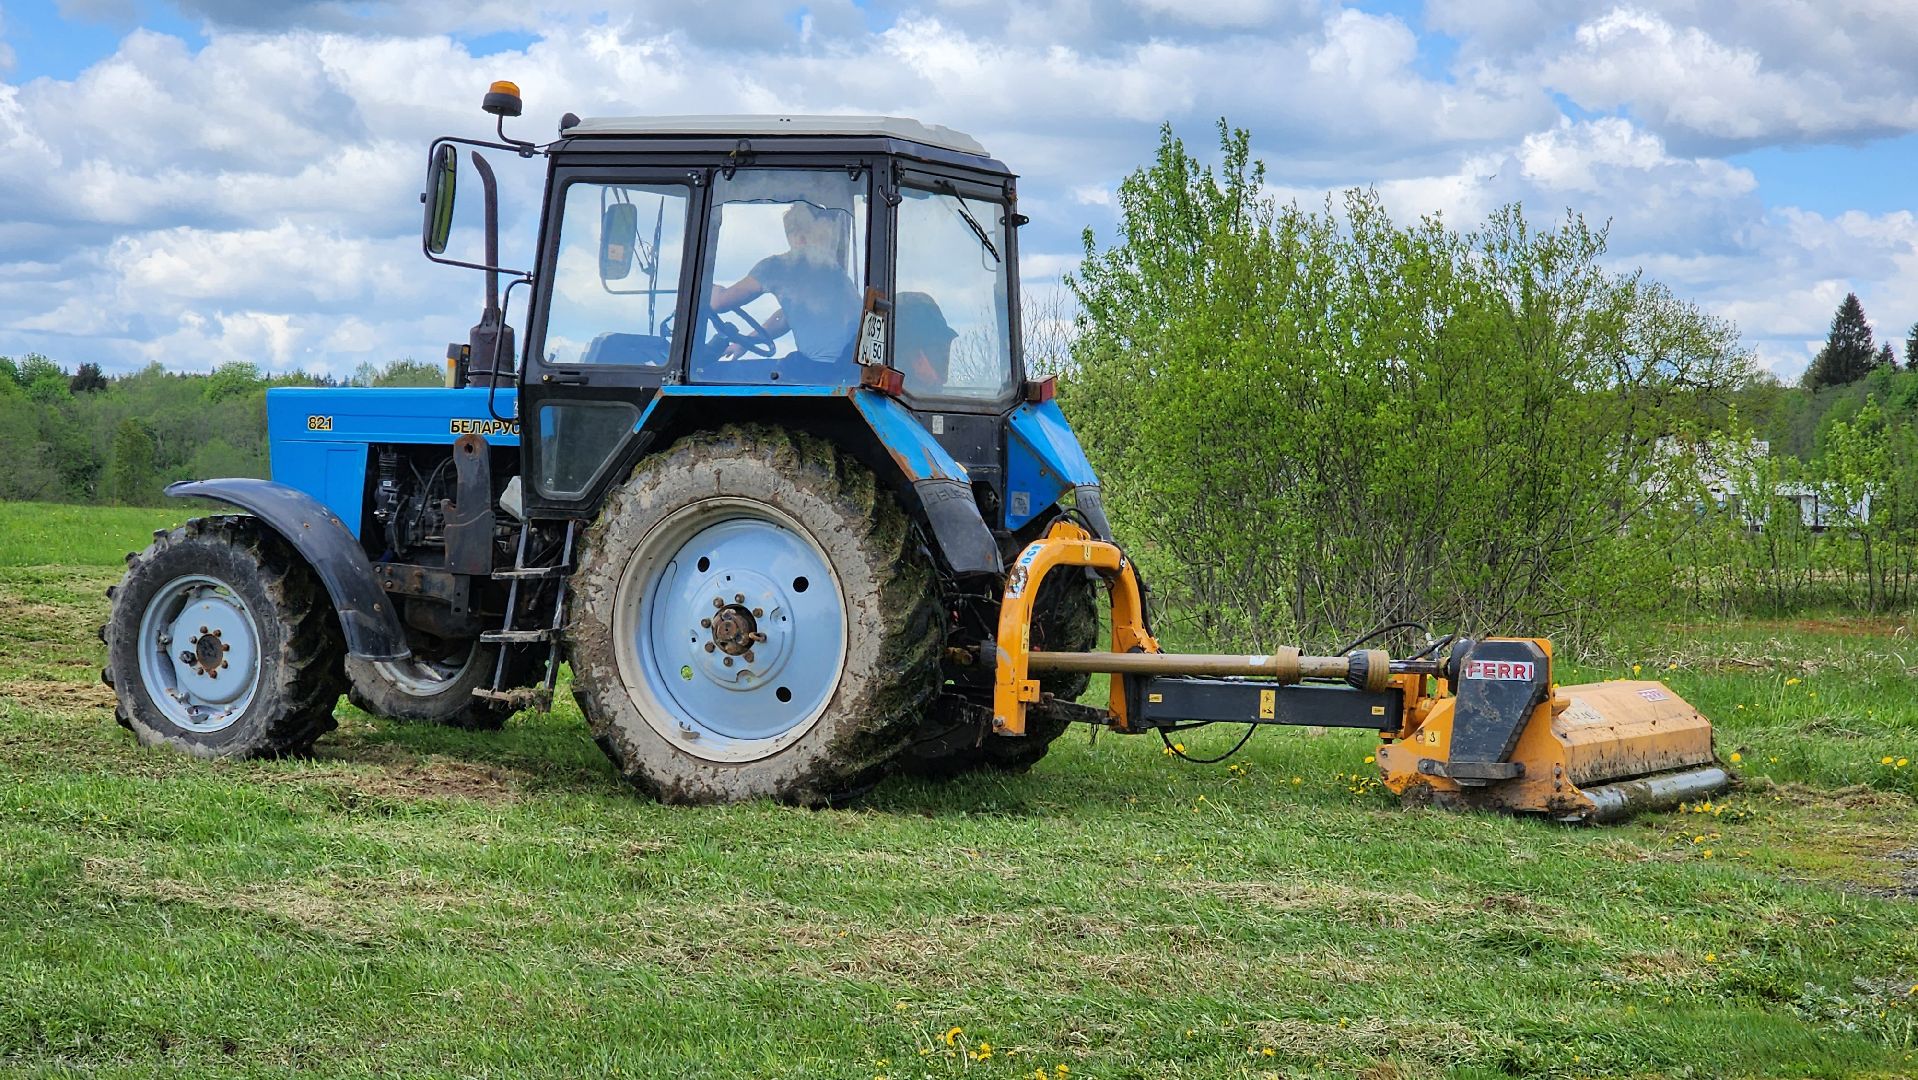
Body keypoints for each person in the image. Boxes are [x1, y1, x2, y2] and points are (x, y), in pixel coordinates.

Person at [708, 202, 859, 365]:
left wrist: (704, 286)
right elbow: (785, 318)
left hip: (822, 371)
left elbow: (718, 303)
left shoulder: (779, 266)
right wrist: (746, 342)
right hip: (844, 369)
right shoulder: (832, 271)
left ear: (797, 236)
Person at [894, 291, 958, 396]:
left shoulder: (930, 400)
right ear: (914, 356)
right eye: (938, 348)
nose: (946, 357)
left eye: (946, 345)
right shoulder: (913, 402)